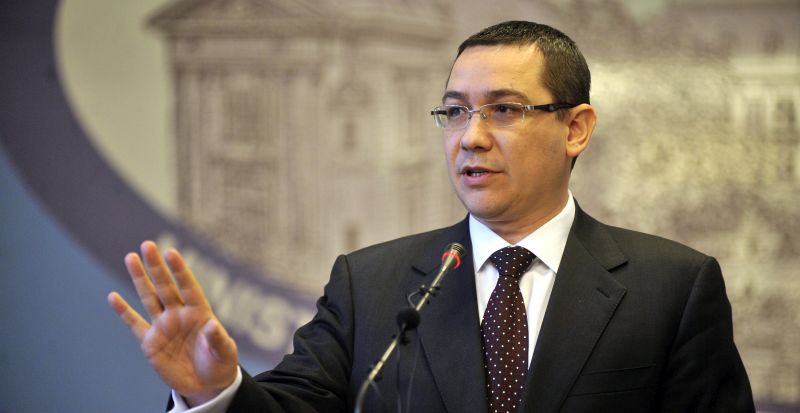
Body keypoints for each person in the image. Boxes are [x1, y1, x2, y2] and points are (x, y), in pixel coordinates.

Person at [108, 21, 755, 412]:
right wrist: (215, 393)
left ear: (575, 128)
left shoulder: (672, 288)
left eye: (504, 110)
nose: (470, 137)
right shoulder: (371, 285)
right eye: (454, 111)